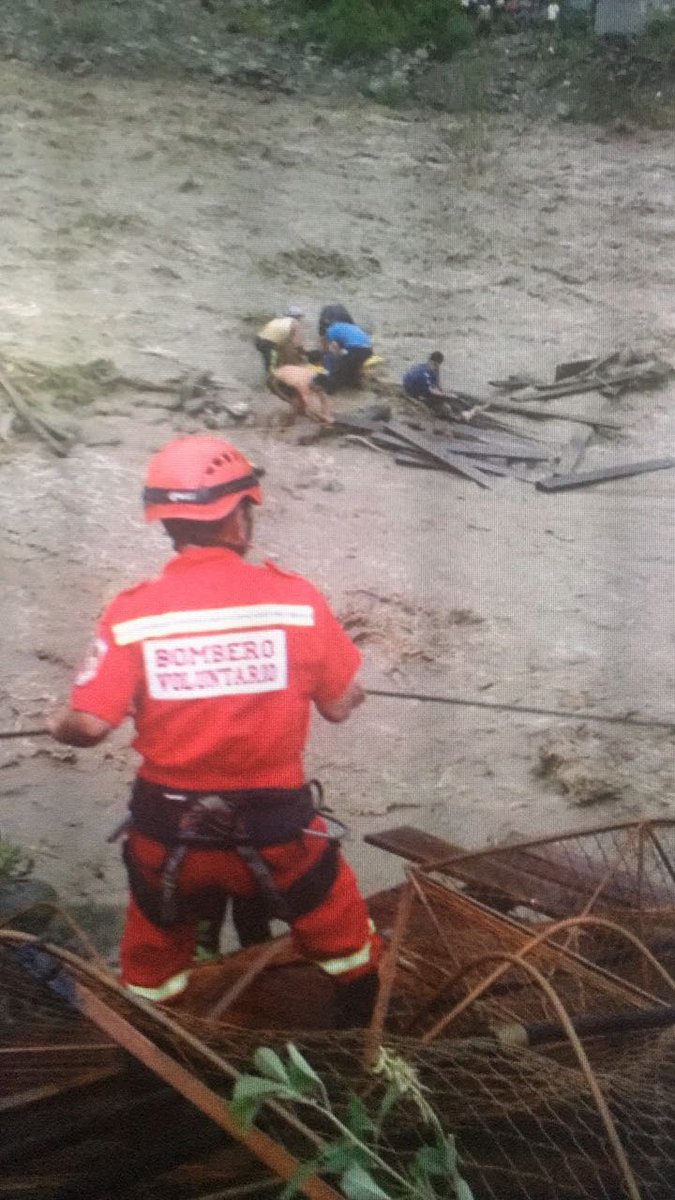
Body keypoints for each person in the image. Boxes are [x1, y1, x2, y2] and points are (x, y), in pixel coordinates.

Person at [47, 435, 382, 1027]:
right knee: (345, 935)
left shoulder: (133, 613)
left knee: (152, 958)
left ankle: (161, 1045)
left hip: (171, 834)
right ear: (239, 516)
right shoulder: (295, 601)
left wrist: (57, 722)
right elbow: (338, 704)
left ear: (168, 523)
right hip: (281, 831)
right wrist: (348, 686)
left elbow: (90, 725)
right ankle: (367, 1047)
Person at [267, 363, 334, 426]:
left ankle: (295, 417)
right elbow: (307, 407)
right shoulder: (302, 385)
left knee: (300, 406)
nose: (319, 391)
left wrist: (326, 414)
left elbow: (323, 398)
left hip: (285, 373)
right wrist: (321, 418)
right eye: (318, 389)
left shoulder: (313, 376)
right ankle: (289, 423)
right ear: (314, 385)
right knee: (296, 404)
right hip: (275, 382)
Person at [321, 320, 374, 394]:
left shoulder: (330, 330)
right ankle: (355, 383)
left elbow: (335, 348)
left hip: (354, 349)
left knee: (339, 366)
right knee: (354, 366)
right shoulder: (350, 327)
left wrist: (330, 356)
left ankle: (331, 389)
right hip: (368, 350)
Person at [254, 305, 305, 374]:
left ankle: (270, 378)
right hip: (269, 344)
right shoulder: (295, 323)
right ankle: (271, 381)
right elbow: (297, 345)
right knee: (273, 368)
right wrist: (304, 354)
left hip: (258, 340)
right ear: (298, 317)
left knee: (271, 362)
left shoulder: (277, 320)